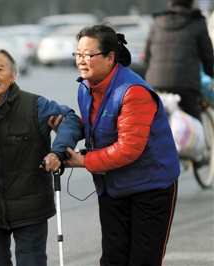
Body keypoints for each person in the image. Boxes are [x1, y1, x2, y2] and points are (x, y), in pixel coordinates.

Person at [51, 24, 181, 266]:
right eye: (78, 54)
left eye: (88, 55)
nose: (81, 61)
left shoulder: (133, 92)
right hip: (113, 186)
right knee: (113, 258)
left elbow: (129, 147)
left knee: (143, 260)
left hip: (150, 187)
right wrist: (66, 127)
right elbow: (96, 124)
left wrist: (84, 161)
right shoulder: (87, 86)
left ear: (111, 57)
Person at [0, 45, 82, 266]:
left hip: (30, 207)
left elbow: (70, 119)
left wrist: (58, 152)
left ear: (13, 75)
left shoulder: (35, 106)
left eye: (0, 69)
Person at [144, 0, 214, 122]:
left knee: (153, 123)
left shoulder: (156, 23)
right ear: (191, 5)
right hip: (186, 86)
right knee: (194, 125)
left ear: (170, 5)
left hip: (155, 84)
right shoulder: (197, 22)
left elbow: (147, 56)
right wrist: (210, 75)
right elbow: (208, 56)